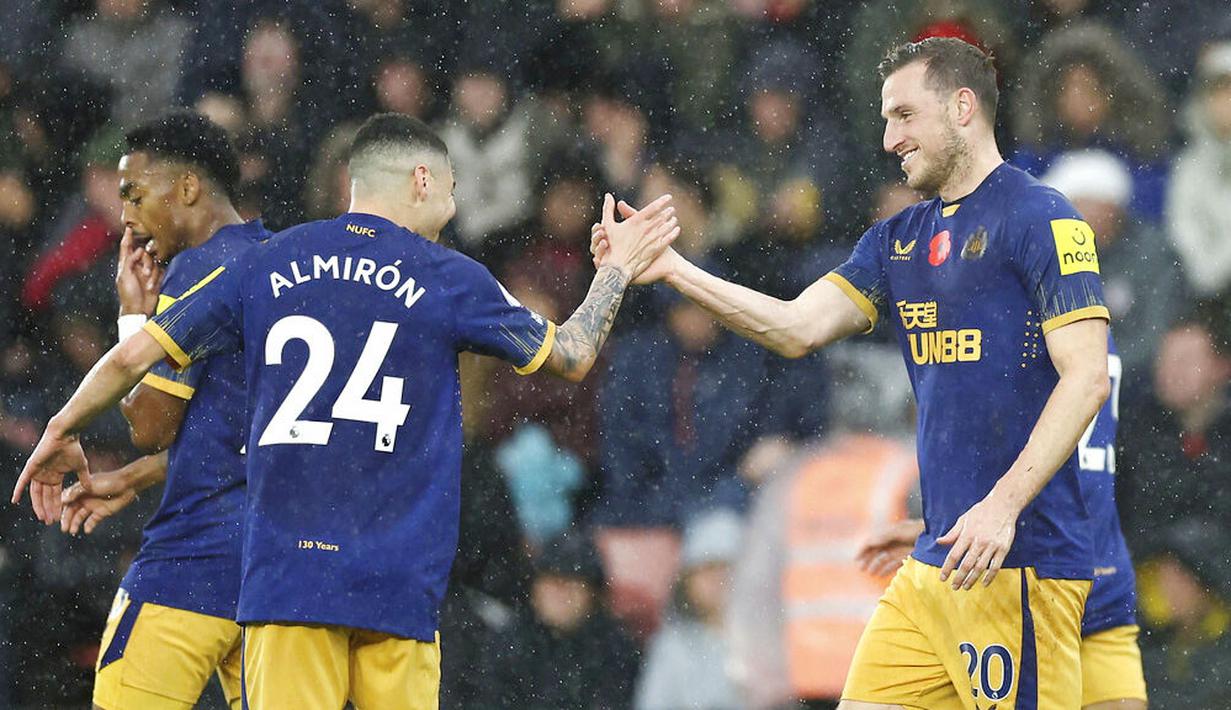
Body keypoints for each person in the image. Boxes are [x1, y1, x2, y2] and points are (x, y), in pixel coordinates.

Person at [14, 112, 677, 708]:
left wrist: (59, 427)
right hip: (396, 579)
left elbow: (133, 364)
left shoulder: (271, 263)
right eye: (449, 188)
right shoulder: (448, 278)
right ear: (421, 178)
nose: (451, 205)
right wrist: (614, 270)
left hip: (289, 579)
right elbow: (574, 352)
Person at [594, 37, 1110, 708]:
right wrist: (673, 270)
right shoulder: (896, 239)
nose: (889, 137)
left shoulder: (1040, 217)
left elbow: (1087, 377)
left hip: (1020, 566)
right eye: (884, 118)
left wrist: (998, 509)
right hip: (936, 565)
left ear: (961, 108)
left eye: (903, 115)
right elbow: (795, 327)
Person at [57, 111, 268, 710]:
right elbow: (250, 437)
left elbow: (151, 426)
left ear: (187, 190)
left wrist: (134, 317)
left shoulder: (200, 270)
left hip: (193, 561)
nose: (125, 215)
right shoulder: (280, 263)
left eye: (135, 193)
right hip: (275, 570)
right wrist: (141, 475)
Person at [858, 336, 1146, 710]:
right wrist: (947, 529)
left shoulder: (1027, 323)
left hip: (1058, 587)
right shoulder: (1080, 321)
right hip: (1077, 581)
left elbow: (1068, 478)